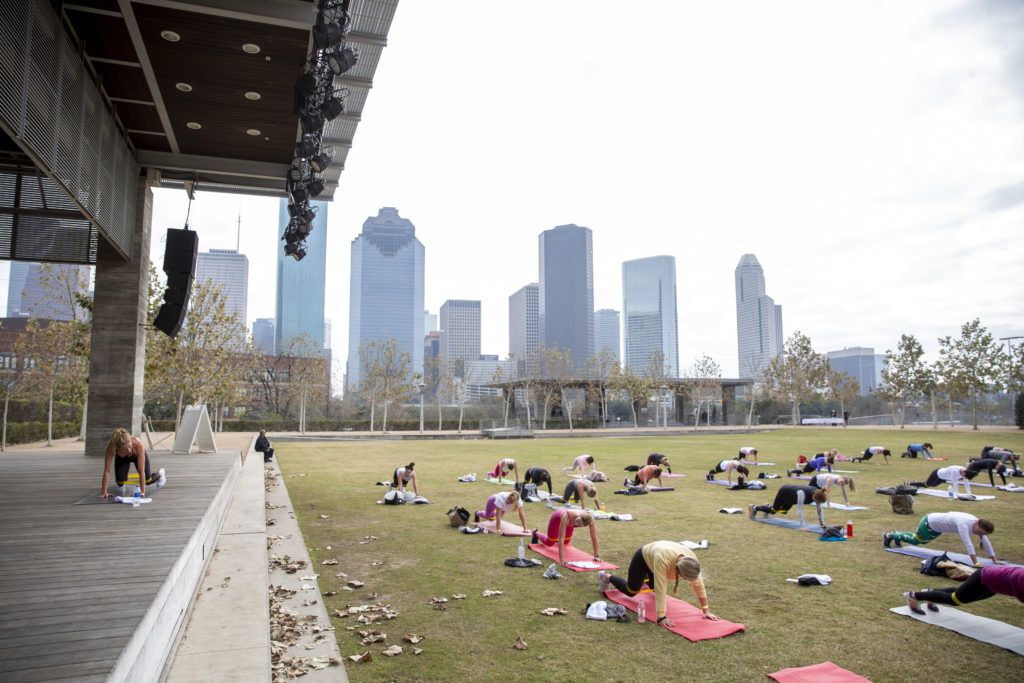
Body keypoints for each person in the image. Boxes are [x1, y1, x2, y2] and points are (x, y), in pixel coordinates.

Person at [598, 540, 720, 626]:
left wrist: (706, 611)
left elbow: (699, 586)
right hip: (644, 557)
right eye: (685, 578)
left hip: (657, 556)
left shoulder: (691, 562)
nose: (686, 580)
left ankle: (645, 579)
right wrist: (661, 617)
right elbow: (661, 590)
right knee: (632, 591)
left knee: (652, 587)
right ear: (679, 572)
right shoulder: (664, 560)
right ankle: (606, 576)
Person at [883, 512, 1003, 566]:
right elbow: (968, 544)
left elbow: (985, 541)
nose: (979, 534)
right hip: (929, 522)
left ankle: (897, 534)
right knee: (917, 540)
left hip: (937, 527)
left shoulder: (976, 524)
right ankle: (890, 535)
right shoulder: (964, 524)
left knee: (919, 539)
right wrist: (975, 562)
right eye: (979, 532)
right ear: (977, 523)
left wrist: (994, 559)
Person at [902, 565, 1024, 614]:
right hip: (985, 578)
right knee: (956, 599)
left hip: (993, 584)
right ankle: (914, 595)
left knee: (962, 592)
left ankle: (929, 593)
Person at [98, 428, 166, 499]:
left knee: (147, 480)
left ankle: (160, 474)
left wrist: (142, 492)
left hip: (137, 456)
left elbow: (141, 471)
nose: (129, 451)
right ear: (118, 448)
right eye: (125, 450)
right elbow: (107, 471)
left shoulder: (138, 445)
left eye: (130, 447)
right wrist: (104, 492)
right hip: (122, 458)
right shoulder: (111, 448)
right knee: (120, 482)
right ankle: (122, 479)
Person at [531, 509, 600, 565]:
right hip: (557, 519)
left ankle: (555, 539)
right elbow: (561, 538)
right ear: (580, 516)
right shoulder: (566, 517)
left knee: (566, 542)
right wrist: (562, 559)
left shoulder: (590, 520)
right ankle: (535, 532)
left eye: (578, 525)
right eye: (577, 521)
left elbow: (594, 538)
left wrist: (596, 556)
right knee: (550, 542)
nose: (576, 524)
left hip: (569, 522)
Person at [748, 484, 827, 529]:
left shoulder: (817, 493)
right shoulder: (802, 494)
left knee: (784, 511)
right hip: (785, 491)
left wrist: (822, 523)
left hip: (792, 498)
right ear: (815, 497)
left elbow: (819, 510)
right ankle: (754, 508)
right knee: (774, 510)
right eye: (817, 502)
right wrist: (803, 526)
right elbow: (800, 510)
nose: (817, 503)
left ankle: (768, 506)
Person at [908, 465, 973, 497]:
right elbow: (955, 483)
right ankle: (911, 483)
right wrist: (957, 495)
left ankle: (916, 483)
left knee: (932, 486)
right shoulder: (954, 471)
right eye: (964, 477)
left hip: (942, 478)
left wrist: (969, 494)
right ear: (964, 473)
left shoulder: (965, 471)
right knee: (927, 485)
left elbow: (966, 483)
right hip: (937, 474)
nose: (963, 478)